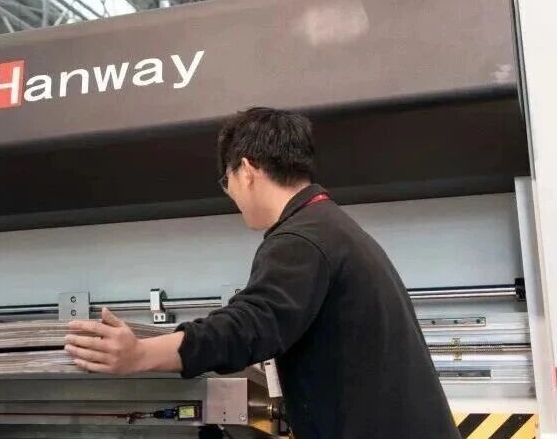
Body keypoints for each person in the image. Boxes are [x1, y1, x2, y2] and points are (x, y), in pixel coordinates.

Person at [64, 107, 457, 439]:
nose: (232, 195)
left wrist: (141, 354)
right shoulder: (331, 228)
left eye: (227, 181)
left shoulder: (302, 239)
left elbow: (248, 325)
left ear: (247, 170)